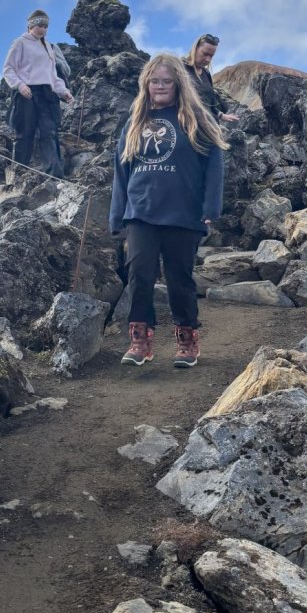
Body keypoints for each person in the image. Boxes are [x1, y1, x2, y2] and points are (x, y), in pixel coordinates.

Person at [110, 54, 227, 368]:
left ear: (178, 84)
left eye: (166, 81)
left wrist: (210, 208)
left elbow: (214, 164)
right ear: (146, 84)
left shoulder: (196, 118)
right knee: (139, 276)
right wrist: (116, 213)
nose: (159, 87)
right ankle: (139, 340)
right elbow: (121, 169)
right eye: (154, 81)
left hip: (183, 214)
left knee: (180, 280)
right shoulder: (136, 119)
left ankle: (187, 341)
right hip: (141, 212)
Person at [2, 10, 73, 177]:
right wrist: (20, 86)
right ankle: (18, 175)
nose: (43, 29)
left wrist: (64, 92)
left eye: (46, 26)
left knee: (49, 133)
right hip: (27, 94)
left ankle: (55, 176)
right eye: (40, 26)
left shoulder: (49, 47)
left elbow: (53, 76)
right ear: (31, 25)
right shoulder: (20, 43)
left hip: (48, 94)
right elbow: (8, 69)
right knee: (25, 134)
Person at [184, 34, 239, 123]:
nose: (208, 59)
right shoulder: (181, 69)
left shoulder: (206, 73)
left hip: (210, 127)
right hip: (190, 127)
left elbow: (210, 102)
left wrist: (221, 115)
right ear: (196, 49)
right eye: (205, 54)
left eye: (211, 56)